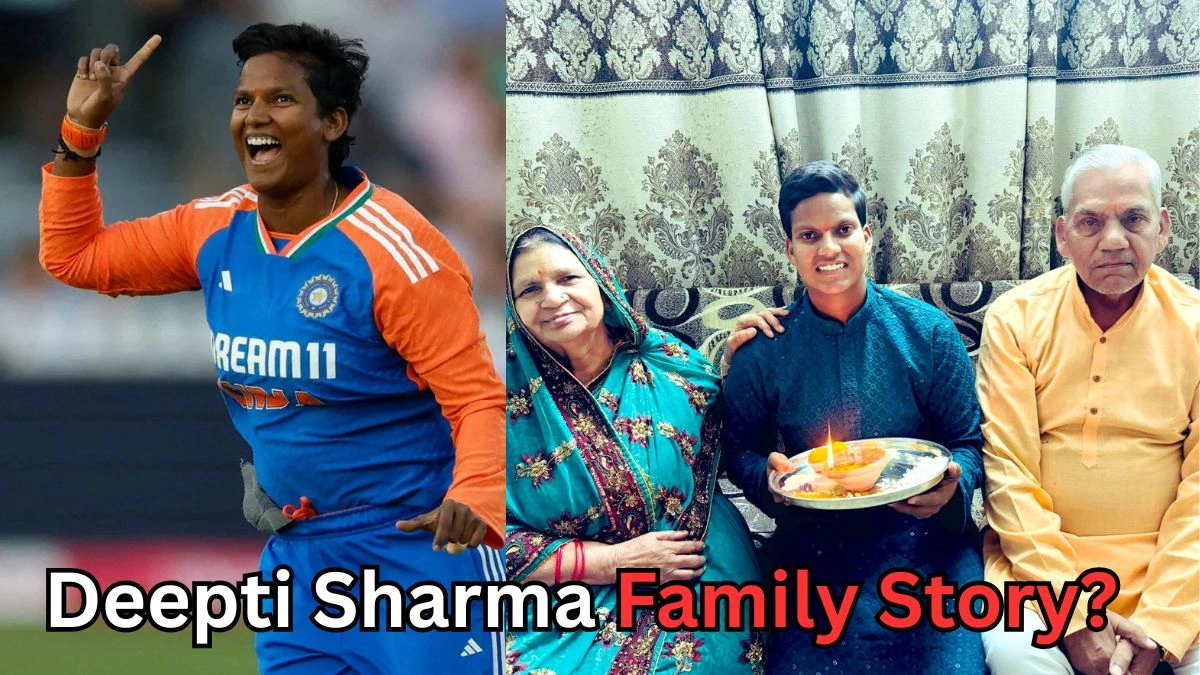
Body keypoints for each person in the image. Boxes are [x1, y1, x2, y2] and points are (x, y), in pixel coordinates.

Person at [38, 24, 505, 674]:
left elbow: (478, 396)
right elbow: (75, 255)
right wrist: (80, 134)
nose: (254, 114)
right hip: (300, 560)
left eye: (281, 100)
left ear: (333, 122)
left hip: (418, 553)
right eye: (243, 100)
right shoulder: (215, 227)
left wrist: (477, 503)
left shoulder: (397, 252)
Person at [721, 161, 986, 673]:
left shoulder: (928, 332)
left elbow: (967, 443)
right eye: (809, 235)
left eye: (843, 230)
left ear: (866, 236)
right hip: (814, 551)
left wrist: (954, 486)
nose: (828, 248)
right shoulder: (764, 347)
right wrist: (769, 482)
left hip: (926, 547)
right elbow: (736, 451)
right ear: (789, 248)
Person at [977, 144, 1199, 675]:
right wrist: (1072, 618)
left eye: (1134, 218)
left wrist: (1163, 624)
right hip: (1037, 571)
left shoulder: (1196, 325)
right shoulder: (1015, 319)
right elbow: (1007, 475)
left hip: (1176, 569)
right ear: (1061, 234)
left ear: (1163, 227)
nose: (1115, 240)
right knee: (1014, 656)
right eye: (1090, 222)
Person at [505, 225, 766, 675]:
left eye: (568, 278)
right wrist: (615, 563)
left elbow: (725, 422)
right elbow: (488, 535)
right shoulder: (502, 400)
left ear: (601, 285)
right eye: (530, 288)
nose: (551, 298)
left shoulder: (666, 362)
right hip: (563, 586)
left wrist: (742, 362)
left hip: (687, 563)